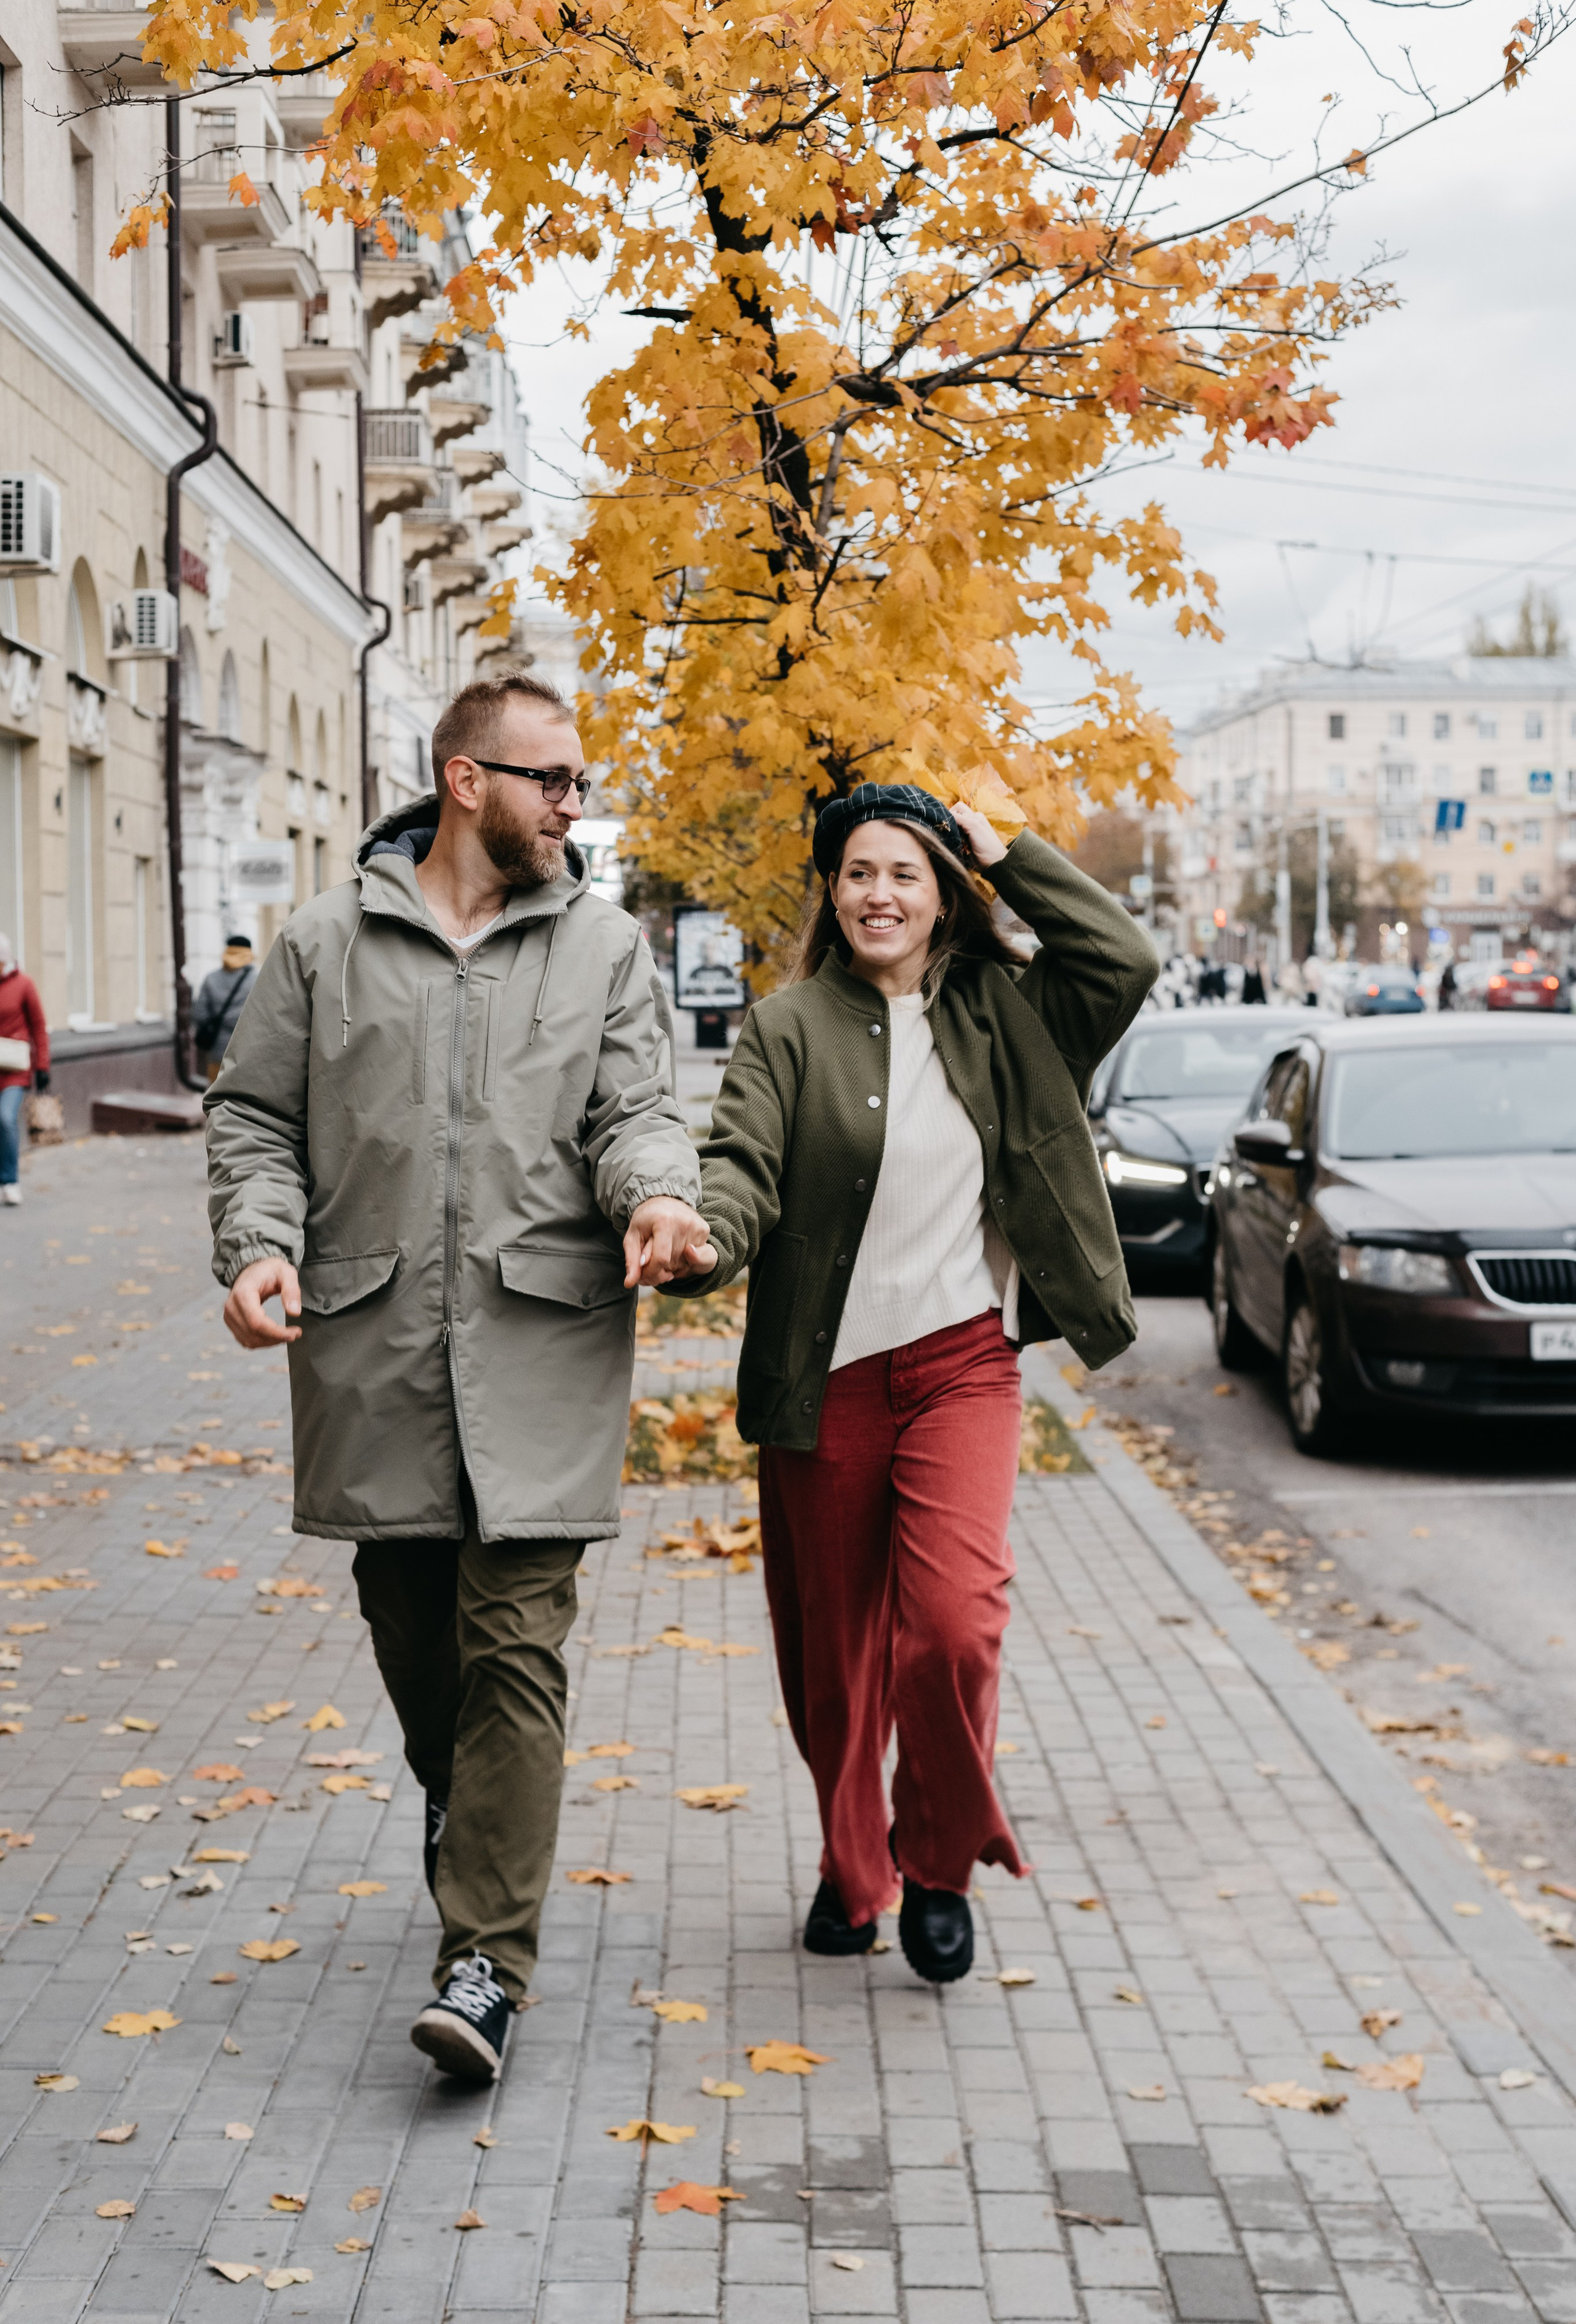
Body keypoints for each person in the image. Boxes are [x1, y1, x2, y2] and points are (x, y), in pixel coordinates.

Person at [205, 672, 712, 2084]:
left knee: (516, 1649)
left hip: (545, 1346)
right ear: (463, 777)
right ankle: (465, 1804)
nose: (573, 803)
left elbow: (637, 1115)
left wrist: (658, 1199)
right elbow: (254, 1119)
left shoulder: (602, 947)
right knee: (419, 1639)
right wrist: (254, 1247)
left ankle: (482, 1956)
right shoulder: (321, 944)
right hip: (372, 1357)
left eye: (579, 781)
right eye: (550, 777)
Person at [665, 783, 1157, 1982]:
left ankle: (933, 1860)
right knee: (831, 1665)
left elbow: (1122, 956)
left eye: (904, 872)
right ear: (829, 895)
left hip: (961, 1370)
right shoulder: (786, 1028)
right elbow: (738, 1169)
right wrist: (700, 1237)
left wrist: (1005, 852)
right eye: (855, 874)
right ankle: (852, 1871)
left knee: (948, 1633)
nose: (877, 893)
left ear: (942, 894)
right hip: (822, 1377)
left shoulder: (1011, 1013)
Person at [0, 935, 49, 1206]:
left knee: (6, 1119)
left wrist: (42, 1065)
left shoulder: (24, 985)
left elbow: (39, 1026)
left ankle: (10, 1181)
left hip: (14, 1068)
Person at [192, 934, 258, 1079]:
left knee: (217, 1094)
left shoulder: (211, 978)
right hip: (247, 1051)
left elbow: (199, 1014)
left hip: (218, 1049)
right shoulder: (257, 980)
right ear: (249, 953)